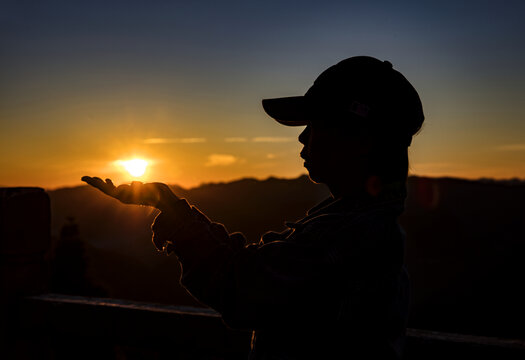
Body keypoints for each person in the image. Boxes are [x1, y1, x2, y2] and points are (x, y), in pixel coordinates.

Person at [82, 55, 424, 359]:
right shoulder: (356, 227)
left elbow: (240, 288)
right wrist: (172, 209)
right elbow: (255, 268)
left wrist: (173, 211)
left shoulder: (348, 238)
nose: (303, 138)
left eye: (316, 125)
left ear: (361, 140)